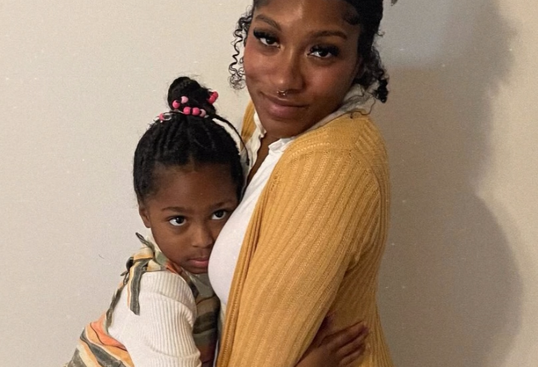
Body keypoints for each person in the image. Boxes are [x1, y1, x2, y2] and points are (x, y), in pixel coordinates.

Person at [66, 77, 368, 367]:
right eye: (178, 220)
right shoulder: (159, 294)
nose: (203, 239)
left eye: (219, 214)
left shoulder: (205, 271)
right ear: (144, 213)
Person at [208, 0, 415, 366]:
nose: (285, 79)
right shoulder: (265, 124)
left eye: (322, 51)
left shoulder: (332, 165)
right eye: (268, 39)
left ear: (359, 62)